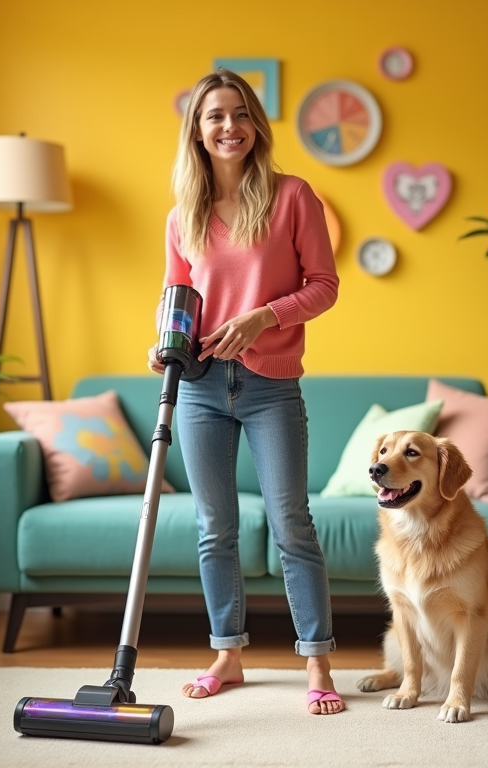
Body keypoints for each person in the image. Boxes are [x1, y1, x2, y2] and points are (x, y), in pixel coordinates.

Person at [147, 69, 343, 715]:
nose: (228, 126)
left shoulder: (292, 196)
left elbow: (324, 283)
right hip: (201, 385)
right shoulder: (184, 214)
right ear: (197, 132)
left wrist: (264, 316)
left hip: (270, 385)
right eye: (214, 117)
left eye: (239, 114)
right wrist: (166, 343)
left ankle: (317, 661)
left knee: (292, 522)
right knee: (215, 529)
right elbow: (177, 300)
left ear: (255, 124)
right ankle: (228, 654)